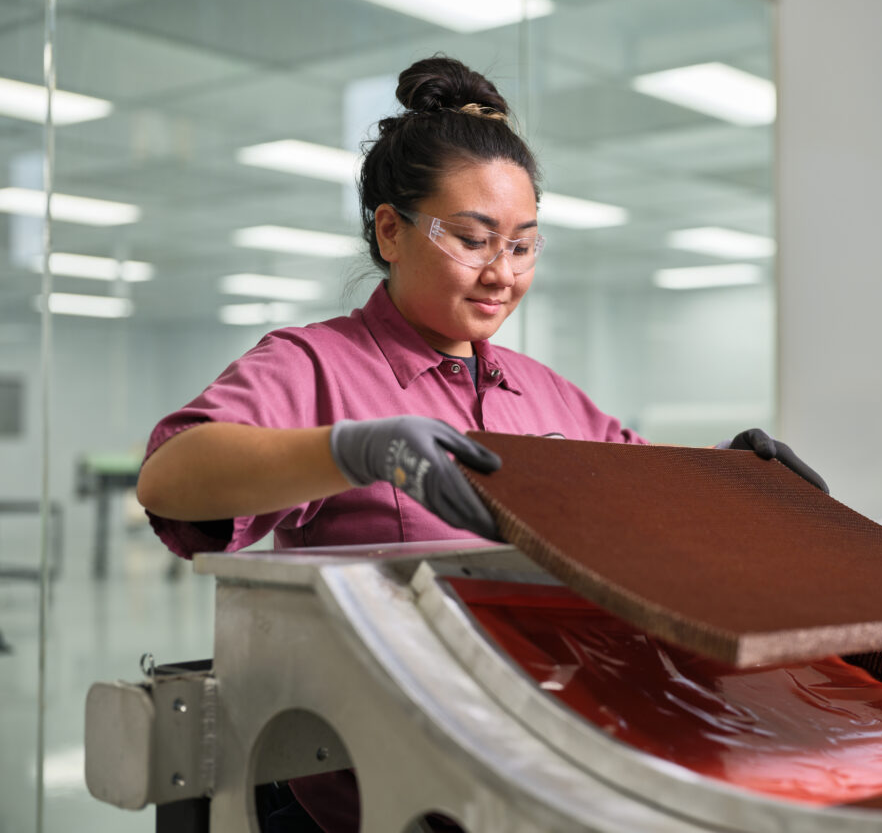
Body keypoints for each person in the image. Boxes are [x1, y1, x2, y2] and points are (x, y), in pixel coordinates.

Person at [136, 55, 826, 833]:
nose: (502, 273)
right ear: (391, 231)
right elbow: (171, 477)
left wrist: (734, 481)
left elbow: (645, 503)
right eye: (473, 238)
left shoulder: (541, 390)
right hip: (379, 790)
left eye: (523, 245)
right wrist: (355, 450)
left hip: (537, 762)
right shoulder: (315, 363)